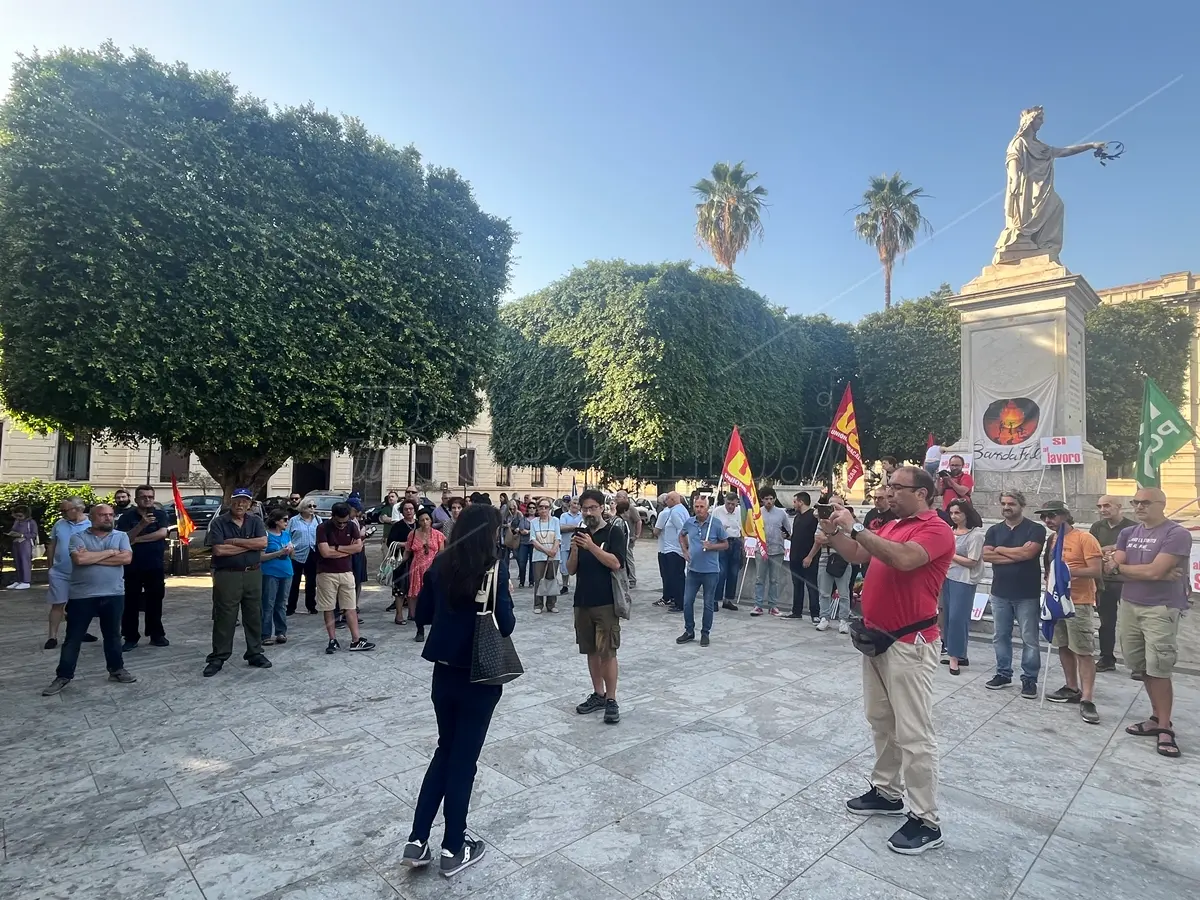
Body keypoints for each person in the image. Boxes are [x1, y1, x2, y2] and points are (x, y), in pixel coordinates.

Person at [822, 466, 953, 855]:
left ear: (923, 494)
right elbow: (858, 554)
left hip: (910, 642)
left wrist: (858, 526)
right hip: (877, 640)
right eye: (888, 486)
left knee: (914, 732)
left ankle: (926, 819)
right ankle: (887, 791)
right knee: (881, 719)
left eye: (896, 487)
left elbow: (903, 560)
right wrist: (834, 530)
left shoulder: (935, 528)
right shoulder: (893, 524)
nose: (888, 493)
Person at [401, 504, 514, 877]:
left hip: (444, 672)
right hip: (479, 677)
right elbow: (507, 624)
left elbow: (424, 615)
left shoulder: (441, 563)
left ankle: (417, 840)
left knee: (444, 751)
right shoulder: (493, 569)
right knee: (463, 760)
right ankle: (453, 846)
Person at [1106, 487, 1190, 759]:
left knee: (1159, 667)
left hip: (1160, 608)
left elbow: (1154, 571)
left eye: (1145, 502)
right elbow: (1112, 566)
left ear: (1161, 504)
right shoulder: (1128, 533)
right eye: (1135, 502)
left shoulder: (1176, 534)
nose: (1139, 507)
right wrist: (1126, 568)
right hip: (1130, 604)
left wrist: (1125, 569)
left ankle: (1165, 727)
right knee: (1140, 665)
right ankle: (1155, 716)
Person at [42, 504, 137, 695]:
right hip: (82, 596)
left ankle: (116, 670)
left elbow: (126, 559)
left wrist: (92, 557)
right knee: (73, 638)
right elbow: (79, 560)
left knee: (113, 636)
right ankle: (63, 676)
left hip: (113, 594)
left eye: (110, 515)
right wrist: (111, 553)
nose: (108, 518)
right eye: (103, 515)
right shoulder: (78, 537)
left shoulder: (121, 536)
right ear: (92, 517)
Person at [1036, 500, 1104, 724]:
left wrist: (1066, 571)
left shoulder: (1085, 538)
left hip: (1079, 601)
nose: (1048, 520)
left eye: (1053, 515)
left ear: (1065, 515)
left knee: (1083, 651)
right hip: (1057, 601)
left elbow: (1095, 569)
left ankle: (1087, 697)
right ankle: (1071, 686)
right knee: (1063, 646)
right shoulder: (1052, 539)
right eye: (1044, 516)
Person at [570, 489, 627, 725]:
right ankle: (598, 694)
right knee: (590, 650)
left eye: (593, 508)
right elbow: (571, 569)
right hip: (582, 601)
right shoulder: (579, 533)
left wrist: (592, 546)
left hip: (606, 602)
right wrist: (575, 549)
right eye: (584, 508)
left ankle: (612, 699)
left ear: (602, 507)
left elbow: (616, 563)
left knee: (607, 652)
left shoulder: (614, 531)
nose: (588, 512)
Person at [983, 490, 1047, 699]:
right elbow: (986, 556)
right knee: (1000, 636)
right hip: (1000, 592)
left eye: (1011, 503)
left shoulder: (1035, 529)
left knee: (1029, 638)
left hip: (1026, 593)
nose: (1006, 507)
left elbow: (1029, 553)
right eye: (1003, 503)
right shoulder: (994, 530)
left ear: (1021, 505)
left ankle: (1029, 679)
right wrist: (1017, 554)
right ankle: (1003, 673)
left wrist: (1000, 549)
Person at [203, 488, 271, 677]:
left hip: (253, 574)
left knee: (254, 614)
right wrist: (249, 545)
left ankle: (255, 653)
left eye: (245, 501)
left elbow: (263, 544)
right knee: (225, 616)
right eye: (237, 500)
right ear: (230, 501)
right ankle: (218, 656)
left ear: (250, 504)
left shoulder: (255, 521)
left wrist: (233, 542)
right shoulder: (218, 522)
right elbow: (219, 551)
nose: (240, 504)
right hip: (227, 575)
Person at [116, 485, 171, 651]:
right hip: (131, 566)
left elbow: (162, 533)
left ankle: (156, 634)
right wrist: (141, 525)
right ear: (136, 499)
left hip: (154, 565)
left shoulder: (160, 514)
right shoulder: (127, 517)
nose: (147, 499)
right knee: (130, 602)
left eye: (150, 497)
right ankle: (130, 636)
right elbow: (124, 538)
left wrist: (138, 539)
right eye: (144, 497)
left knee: (155, 600)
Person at [315, 501, 374, 654]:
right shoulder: (322, 528)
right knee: (328, 607)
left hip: (346, 571)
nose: (342, 525)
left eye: (345, 522)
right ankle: (332, 639)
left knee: (350, 606)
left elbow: (358, 548)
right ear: (332, 516)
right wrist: (347, 550)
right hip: (326, 573)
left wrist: (337, 548)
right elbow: (325, 553)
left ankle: (356, 640)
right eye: (339, 522)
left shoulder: (352, 526)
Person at [1090, 495, 1136, 672]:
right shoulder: (1097, 527)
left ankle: (1137, 665)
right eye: (1100, 506)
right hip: (1104, 581)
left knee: (1130, 625)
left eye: (1107, 506)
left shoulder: (1132, 527)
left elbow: (1131, 549)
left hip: (1126, 581)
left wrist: (1108, 549)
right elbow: (1092, 548)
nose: (1103, 510)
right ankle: (1106, 657)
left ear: (1118, 506)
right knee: (1106, 622)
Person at [676, 495, 729, 646]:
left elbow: (725, 544)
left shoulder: (716, 523)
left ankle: (705, 633)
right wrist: (684, 551)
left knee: (708, 603)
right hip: (693, 570)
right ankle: (689, 630)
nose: (699, 510)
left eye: (702, 507)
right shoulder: (689, 522)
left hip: (710, 571)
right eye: (697, 506)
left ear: (707, 508)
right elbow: (681, 535)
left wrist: (712, 546)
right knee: (687, 602)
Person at [941, 499, 984, 675]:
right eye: (951, 513)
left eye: (957, 512)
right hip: (948, 577)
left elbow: (972, 561)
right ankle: (958, 652)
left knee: (958, 618)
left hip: (964, 580)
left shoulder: (976, 535)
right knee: (949, 617)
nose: (954, 516)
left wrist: (951, 554)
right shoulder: (950, 532)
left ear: (966, 513)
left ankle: (954, 657)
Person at [44, 497, 92, 649]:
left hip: (83, 572)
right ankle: (52, 637)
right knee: (57, 604)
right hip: (60, 572)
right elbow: (52, 545)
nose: (62, 513)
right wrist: (50, 567)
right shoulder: (59, 524)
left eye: (65, 510)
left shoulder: (91, 524)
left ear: (79, 509)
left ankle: (80, 632)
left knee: (81, 605)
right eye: (61, 510)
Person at [813, 493, 853, 633]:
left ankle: (843, 620)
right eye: (831, 505)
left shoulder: (847, 522)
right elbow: (819, 539)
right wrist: (837, 538)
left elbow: (850, 540)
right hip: (825, 558)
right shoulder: (823, 521)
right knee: (824, 591)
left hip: (842, 559)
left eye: (837, 505)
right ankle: (824, 618)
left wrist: (830, 538)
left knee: (843, 593)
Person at [405, 509, 446, 641]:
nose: (425, 522)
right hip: (417, 570)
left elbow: (441, 553)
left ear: (431, 520)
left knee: (435, 599)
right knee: (418, 599)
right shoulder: (412, 534)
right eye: (422, 520)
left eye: (427, 519)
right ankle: (420, 629)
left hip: (433, 570)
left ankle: (436, 628)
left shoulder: (438, 535)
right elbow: (407, 552)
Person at [752, 487, 789, 617]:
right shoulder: (757, 513)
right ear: (762, 500)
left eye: (771, 499)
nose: (769, 501)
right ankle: (758, 605)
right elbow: (751, 530)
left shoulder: (781, 513)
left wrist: (785, 535)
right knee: (759, 579)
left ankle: (773, 606)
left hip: (777, 550)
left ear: (774, 499)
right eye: (766, 499)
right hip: (761, 550)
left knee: (774, 579)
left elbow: (788, 531)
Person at [260, 508, 294, 646]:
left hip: (286, 572)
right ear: (276, 521)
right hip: (270, 572)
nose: (287, 522)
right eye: (284, 519)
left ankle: (281, 632)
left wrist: (290, 551)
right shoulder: (266, 536)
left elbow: (293, 555)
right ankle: (265, 634)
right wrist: (279, 553)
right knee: (268, 603)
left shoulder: (286, 535)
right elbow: (261, 557)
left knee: (281, 604)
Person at [788, 492, 820, 622]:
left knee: (811, 586)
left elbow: (816, 539)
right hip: (795, 557)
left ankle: (815, 614)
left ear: (801, 502)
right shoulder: (797, 517)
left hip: (808, 558)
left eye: (795, 501)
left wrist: (810, 556)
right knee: (797, 585)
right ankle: (796, 611)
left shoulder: (813, 517)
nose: (793, 504)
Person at [653, 492, 688, 611]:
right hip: (675, 549)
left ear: (672, 500)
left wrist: (685, 546)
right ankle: (678, 600)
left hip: (674, 549)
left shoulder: (675, 512)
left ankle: (679, 603)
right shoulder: (681, 509)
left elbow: (682, 530)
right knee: (676, 576)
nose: (665, 502)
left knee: (675, 577)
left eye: (667, 499)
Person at [286, 499, 321, 615]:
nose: (312, 508)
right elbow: (287, 536)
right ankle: (291, 607)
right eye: (309, 506)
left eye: (314, 506)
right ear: (302, 508)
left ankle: (311, 606)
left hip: (312, 552)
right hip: (296, 554)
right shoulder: (294, 521)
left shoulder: (318, 520)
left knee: (311, 582)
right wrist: (290, 548)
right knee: (294, 582)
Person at [529, 498, 562, 613]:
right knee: (538, 580)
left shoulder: (555, 521)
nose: (543, 509)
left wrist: (553, 550)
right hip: (539, 555)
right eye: (541, 507)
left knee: (551, 578)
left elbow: (558, 537)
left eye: (546, 507)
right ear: (538, 509)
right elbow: (533, 540)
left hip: (554, 555)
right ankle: (538, 605)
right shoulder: (533, 522)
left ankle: (551, 604)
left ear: (550, 508)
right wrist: (546, 551)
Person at [714, 491, 744, 611]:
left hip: (735, 542)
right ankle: (715, 599)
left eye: (733, 504)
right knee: (721, 572)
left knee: (734, 572)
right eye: (728, 503)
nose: (731, 506)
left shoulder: (740, 511)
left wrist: (743, 546)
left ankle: (728, 599)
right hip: (722, 542)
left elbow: (742, 529)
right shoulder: (717, 511)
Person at [389, 499, 419, 620]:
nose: (408, 511)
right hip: (401, 560)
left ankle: (413, 614)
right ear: (402, 511)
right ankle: (399, 614)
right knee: (400, 587)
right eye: (406, 509)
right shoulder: (398, 526)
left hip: (417, 560)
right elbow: (390, 542)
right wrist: (405, 544)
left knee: (414, 587)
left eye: (411, 509)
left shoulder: (419, 523)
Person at [615, 490, 643, 587]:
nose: (616, 498)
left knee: (628, 558)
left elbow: (639, 521)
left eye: (618, 497)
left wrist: (636, 535)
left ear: (625, 498)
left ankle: (632, 579)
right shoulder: (617, 508)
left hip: (628, 539)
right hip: (619, 539)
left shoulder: (631, 509)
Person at [7, 504, 37, 589]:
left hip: (25, 543)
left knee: (25, 562)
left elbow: (34, 534)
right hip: (16, 543)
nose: (18, 518)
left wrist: (22, 535)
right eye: (16, 516)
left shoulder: (31, 522)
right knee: (17, 562)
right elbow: (14, 529)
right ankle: (19, 580)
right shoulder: (17, 521)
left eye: (20, 516)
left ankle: (26, 581)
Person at [557, 497, 583, 595]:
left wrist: (570, 527)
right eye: (573, 503)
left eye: (577, 503)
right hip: (565, 544)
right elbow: (561, 527)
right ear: (570, 504)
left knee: (580, 565)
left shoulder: (582, 516)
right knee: (564, 566)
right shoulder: (564, 515)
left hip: (579, 544)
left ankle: (579, 586)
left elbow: (584, 527)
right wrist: (576, 527)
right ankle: (565, 586)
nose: (575, 505)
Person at [508, 502, 532, 589]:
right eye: (530, 507)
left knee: (532, 564)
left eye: (533, 508)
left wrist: (528, 531)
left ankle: (531, 581)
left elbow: (536, 530)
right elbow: (521, 529)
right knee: (522, 562)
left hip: (533, 543)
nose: (532, 509)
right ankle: (522, 581)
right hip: (523, 542)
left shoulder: (537, 519)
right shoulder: (524, 518)